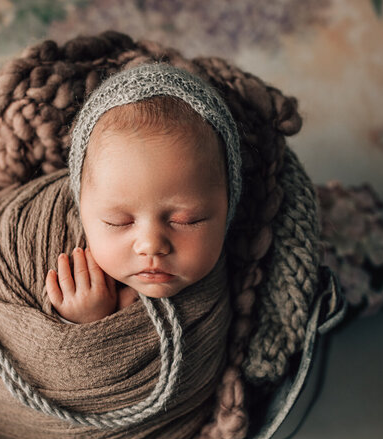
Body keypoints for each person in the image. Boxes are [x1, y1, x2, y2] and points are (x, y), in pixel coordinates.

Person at [45, 63, 242, 324]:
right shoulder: (49, 240)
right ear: (81, 208)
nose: (151, 245)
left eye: (186, 220)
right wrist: (81, 319)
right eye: (118, 222)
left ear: (229, 207)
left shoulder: (239, 296)